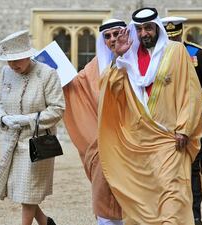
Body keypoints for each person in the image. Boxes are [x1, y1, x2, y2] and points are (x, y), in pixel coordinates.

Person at [97, 7, 202, 224]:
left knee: (174, 194)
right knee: (145, 200)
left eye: (149, 28)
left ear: (157, 28)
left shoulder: (176, 51)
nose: (144, 33)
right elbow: (112, 91)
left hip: (171, 138)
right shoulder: (129, 57)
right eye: (140, 29)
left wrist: (184, 128)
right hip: (139, 141)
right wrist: (118, 56)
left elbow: (191, 93)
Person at [0, 30, 65, 225]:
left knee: (28, 192)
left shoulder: (47, 74)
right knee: (21, 189)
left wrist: (25, 119)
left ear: (28, 54)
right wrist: (4, 118)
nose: (13, 65)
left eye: (17, 59)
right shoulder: (6, 72)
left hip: (36, 144)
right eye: (8, 60)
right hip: (11, 142)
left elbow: (58, 109)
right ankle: (46, 222)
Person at [62, 19, 126, 225]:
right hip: (104, 140)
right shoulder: (94, 67)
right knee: (103, 187)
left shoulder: (140, 59)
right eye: (107, 36)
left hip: (133, 137)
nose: (113, 39)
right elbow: (75, 86)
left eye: (116, 34)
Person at [160, 16, 202, 225]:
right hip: (165, 124)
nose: (172, 40)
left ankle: (194, 217)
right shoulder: (156, 54)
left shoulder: (197, 53)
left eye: (175, 36)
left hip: (194, 122)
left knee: (193, 171)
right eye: (169, 37)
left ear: (181, 33)